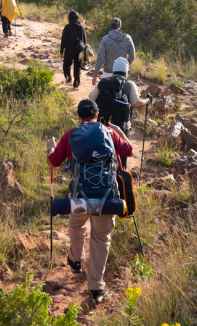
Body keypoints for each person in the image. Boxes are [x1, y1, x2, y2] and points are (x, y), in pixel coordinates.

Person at [47, 99, 133, 303]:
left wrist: (50, 147)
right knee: (101, 239)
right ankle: (96, 287)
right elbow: (128, 150)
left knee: (76, 225)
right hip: (106, 198)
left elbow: (54, 161)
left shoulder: (70, 135)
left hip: (79, 197)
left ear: (79, 116)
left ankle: (75, 260)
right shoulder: (109, 133)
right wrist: (118, 131)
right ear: (97, 114)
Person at [89, 57, 149, 170]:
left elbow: (91, 99)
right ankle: (121, 175)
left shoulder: (103, 82)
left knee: (102, 155)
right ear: (126, 72)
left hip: (103, 126)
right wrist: (147, 100)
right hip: (122, 127)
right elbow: (136, 103)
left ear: (113, 70)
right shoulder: (129, 84)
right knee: (123, 155)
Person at [92, 17, 136, 85]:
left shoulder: (105, 39)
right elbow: (132, 56)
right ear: (120, 26)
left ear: (110, 25)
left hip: (107, 72)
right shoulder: (127, 38)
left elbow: (100, 58)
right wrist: (124, 65)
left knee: (106, 93)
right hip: (122, 73)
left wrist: (95, 74)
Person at [60, 10, 87, 88]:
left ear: (69, 17)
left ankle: (68, 80)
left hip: (69, 50)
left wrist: (61, 51)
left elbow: (64, 40)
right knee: (77, 66)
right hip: (79, 49)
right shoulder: (82, 27)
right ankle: (76, 84)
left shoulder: (68, 27)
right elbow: (84, 40)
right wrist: (84, 50)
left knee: (66, 64)